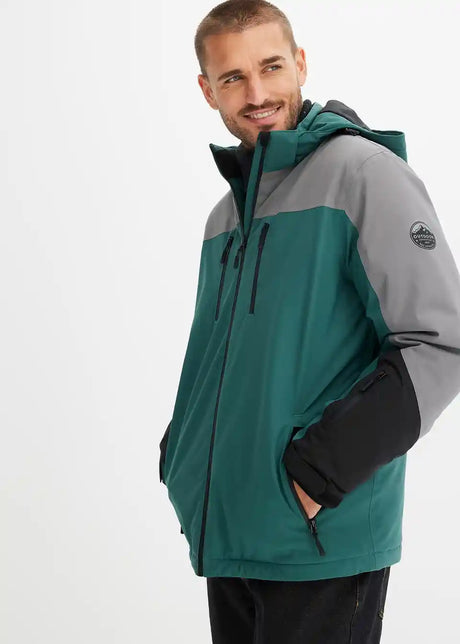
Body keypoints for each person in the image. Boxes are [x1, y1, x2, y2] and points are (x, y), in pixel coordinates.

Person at [159, 1, 460, 641]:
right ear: (207, 90)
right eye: (233, 77)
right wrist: (181, 457)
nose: (257, 93)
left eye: (271, 67)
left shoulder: (363, 174)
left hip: (320, 537)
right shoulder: (225, 218)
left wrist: (318, 472)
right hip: (230, 531)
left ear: (300, 63)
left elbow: (441, 341)